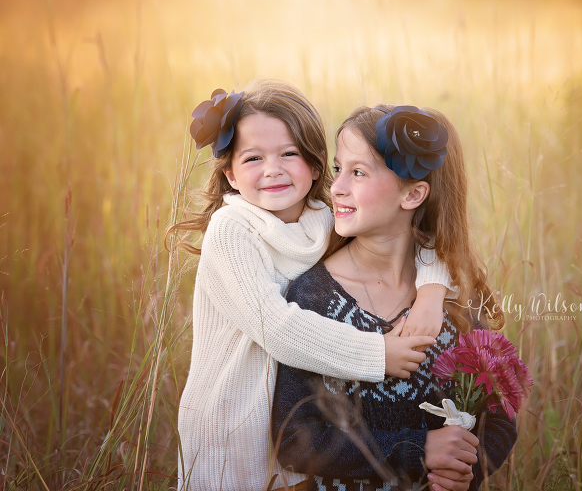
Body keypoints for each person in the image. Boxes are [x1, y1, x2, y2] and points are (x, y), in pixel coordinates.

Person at [169, 81, 455, 491]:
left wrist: (430, 291)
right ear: (230, 173)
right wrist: (378, 353)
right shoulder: (231, 230)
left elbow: (412, 236)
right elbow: (276, 327)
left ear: (317, 165)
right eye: (253, 158)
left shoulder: (323, 219)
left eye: (289, 154)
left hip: (290, 426)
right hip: (230, 423)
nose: (273, 169)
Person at [272, 105, 517, 491]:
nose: (336, 187)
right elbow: (292, 441)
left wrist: (463, 471)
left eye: (358, 172)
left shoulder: (454, 300)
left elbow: (500, 417)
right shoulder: (313, 295)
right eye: (338, 168)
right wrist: (419, 450)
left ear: (413, 194)